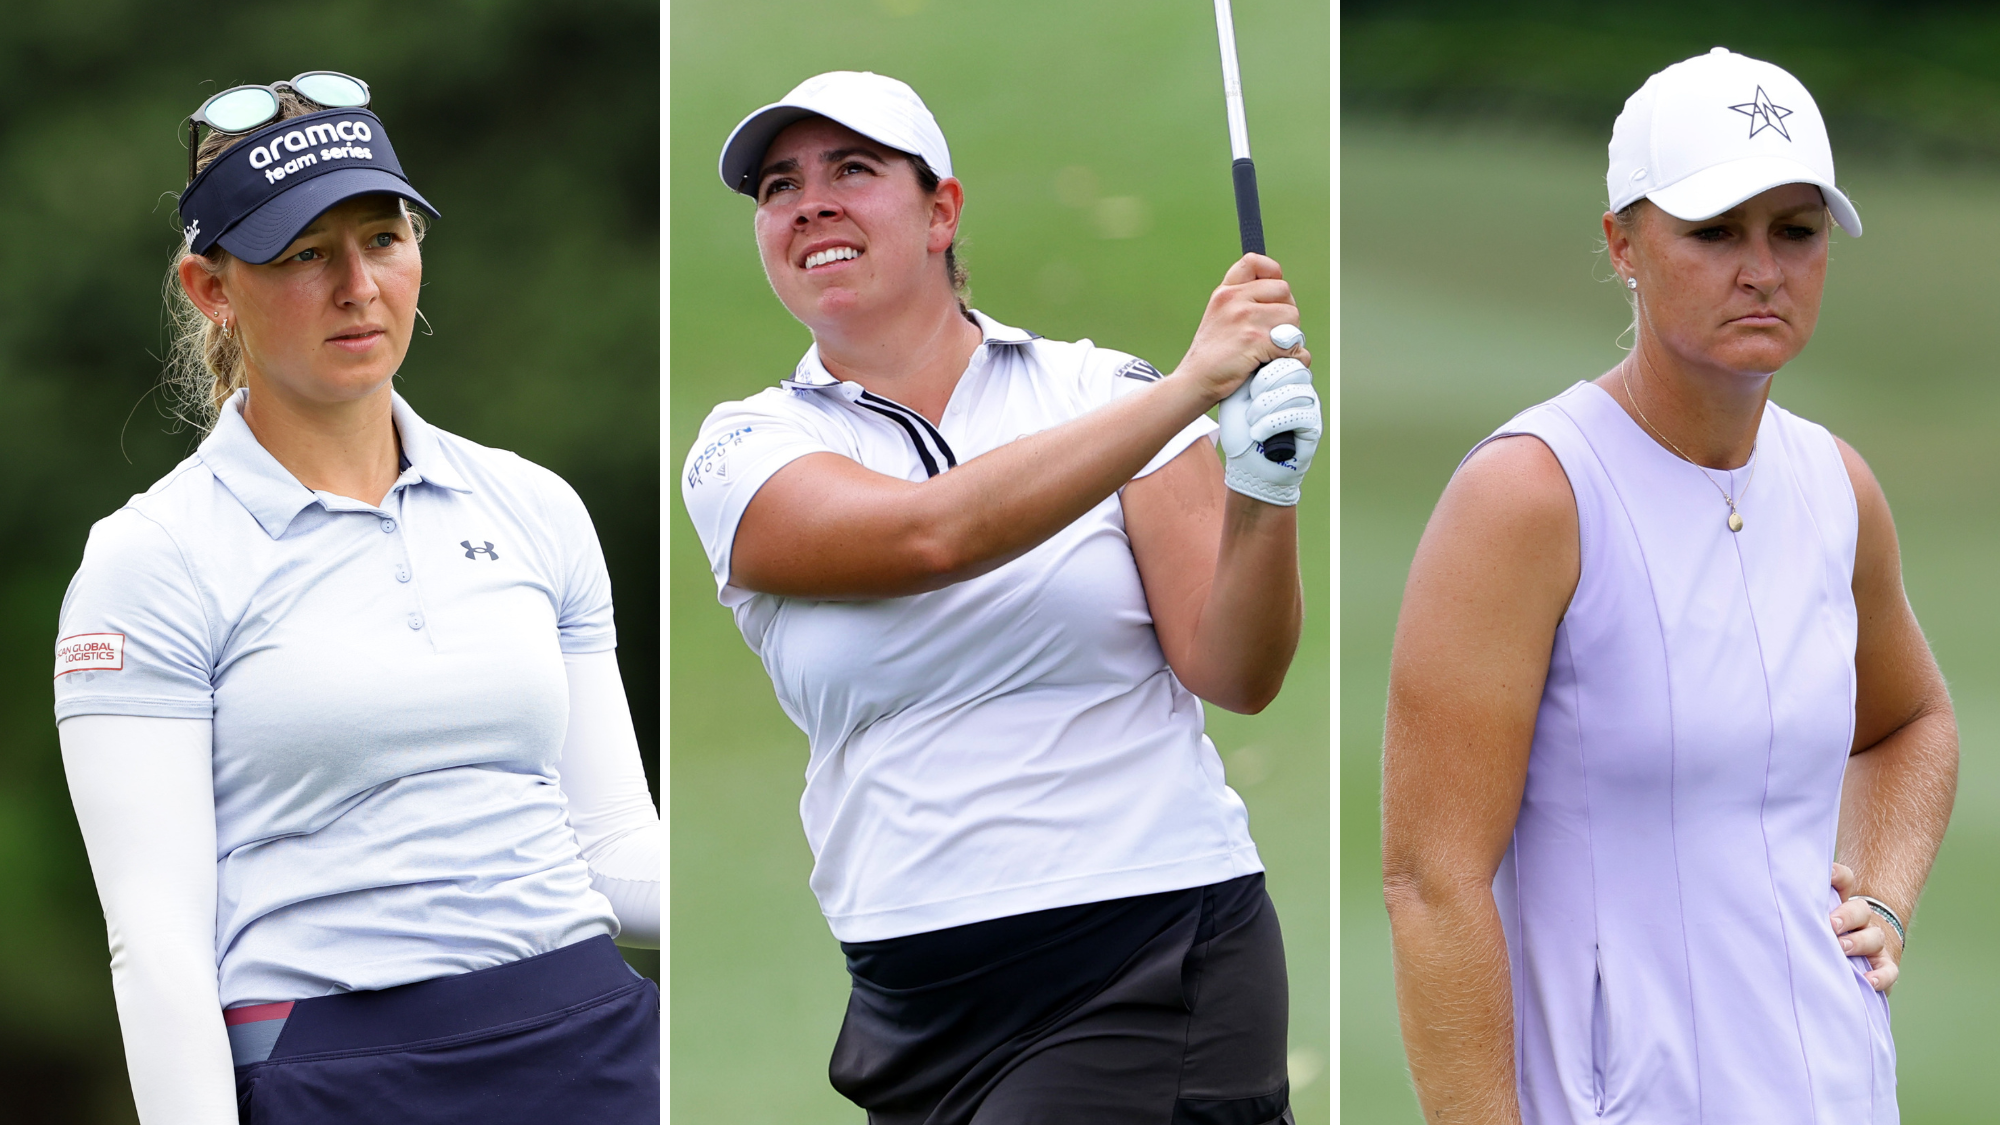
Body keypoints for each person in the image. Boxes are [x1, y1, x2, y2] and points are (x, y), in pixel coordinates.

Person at [682, 71, 1321, 1122]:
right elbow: (930, 534)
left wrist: (1262, 493)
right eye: (778, 187)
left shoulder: (1099, 391)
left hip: (1148, 946)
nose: (809, 204)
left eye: (852, 169)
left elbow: (1237, 672)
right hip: (909, 995)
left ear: (941, 211)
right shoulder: (744, 449)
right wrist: (1187, 393)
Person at [52, 74, 660, 1124]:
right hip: (334, 1064)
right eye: (303, 255)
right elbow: (154, 944)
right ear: (211, 288)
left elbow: (611, 846)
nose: (358, 286)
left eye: (382, 239)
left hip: (590, 1038)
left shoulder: (531, 506)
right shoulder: (150, 560)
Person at [1381, 47, 1958, 1124]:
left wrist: (1880, 891)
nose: (1761, 270)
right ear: (1622, 245)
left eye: (1794, 232)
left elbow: (1911, 720)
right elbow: (1430, 883)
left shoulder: (1835, 486)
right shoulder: (1527, 495)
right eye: (1712, 232)